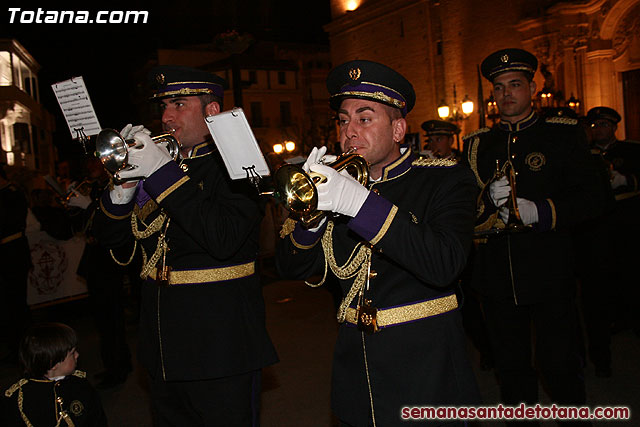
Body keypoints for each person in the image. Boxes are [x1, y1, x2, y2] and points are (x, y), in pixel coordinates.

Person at [276, 60, 480, 426]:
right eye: (343, 120)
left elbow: (445, 263)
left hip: (426, 365)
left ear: (398, 129)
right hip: (354, 364)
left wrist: (358, 204)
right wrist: (312, 216)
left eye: (364, 119)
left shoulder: (446, 180)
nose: (349, 132)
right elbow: (291, 266)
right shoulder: (334, 185)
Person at [91, 65, 277, 426]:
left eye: (178, 104)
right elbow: (109, 240)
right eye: (163, 106)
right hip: (162, 344)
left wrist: (161, 172)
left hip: (221, 345)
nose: (165, 116)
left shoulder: (242, 164)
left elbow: (222, 238)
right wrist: (124, 185)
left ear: (210, 110)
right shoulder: (162, 165)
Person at [463, 48, 603, 419]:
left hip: (549, 270)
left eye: (515, 85)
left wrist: (542, 210)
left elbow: (594, 197)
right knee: (512, 373)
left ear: (532, 88)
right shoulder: (479, 145)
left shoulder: (561, 135)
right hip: (496, 277)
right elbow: (461, 207)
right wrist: (485, 200)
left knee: (559, 366)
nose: (506, 94)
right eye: (498, 87)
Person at [73, 157, 134, 389]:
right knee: (104, 320)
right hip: (96, 261)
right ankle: (117, 364)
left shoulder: (113, 187)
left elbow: (107, 221)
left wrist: (87, 205)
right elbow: (85, 225)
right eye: (88, 164)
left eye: (95, 164)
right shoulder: (96, 187)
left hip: (108, 261)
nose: (90, 168)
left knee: (111, 319)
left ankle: (117, 367)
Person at [1, 322, 107, 426]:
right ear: (53, 364)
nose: (77, 355)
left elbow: (97, 418)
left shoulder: (80, 385)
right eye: (72, 353)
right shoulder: (20, 398)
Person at [0, 164, 32, 362]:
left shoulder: (12, 193)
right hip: (5, 255)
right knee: (7, 305)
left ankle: (22, 348)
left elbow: (13, 220)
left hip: (13, 254)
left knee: (16, 304)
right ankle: (13, 345)